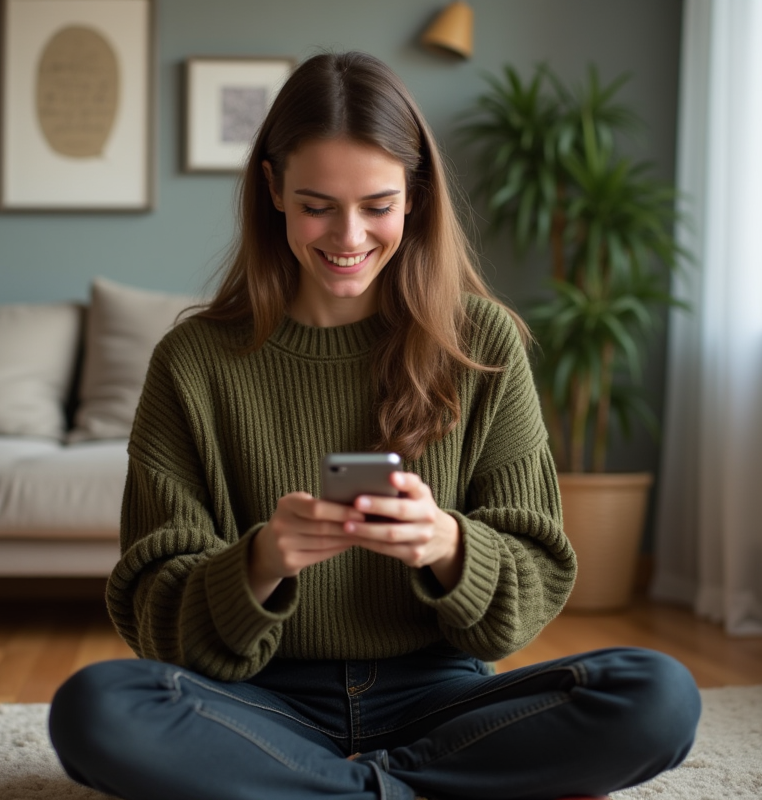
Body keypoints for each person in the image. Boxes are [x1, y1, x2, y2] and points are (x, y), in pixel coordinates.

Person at [48, 50, 700, 800]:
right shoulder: (192, 360)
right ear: (273, 190)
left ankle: (321, 791)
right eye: (316, 203)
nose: (347, 236)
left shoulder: (482, 342)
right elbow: (150, 608)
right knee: (97, 708)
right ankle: (419, 790)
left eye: (378, 205)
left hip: (440, 698)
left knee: (659, 695)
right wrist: (261, 560)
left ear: (416, 196)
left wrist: (448, 544)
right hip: (261, 702)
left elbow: (537, 576)